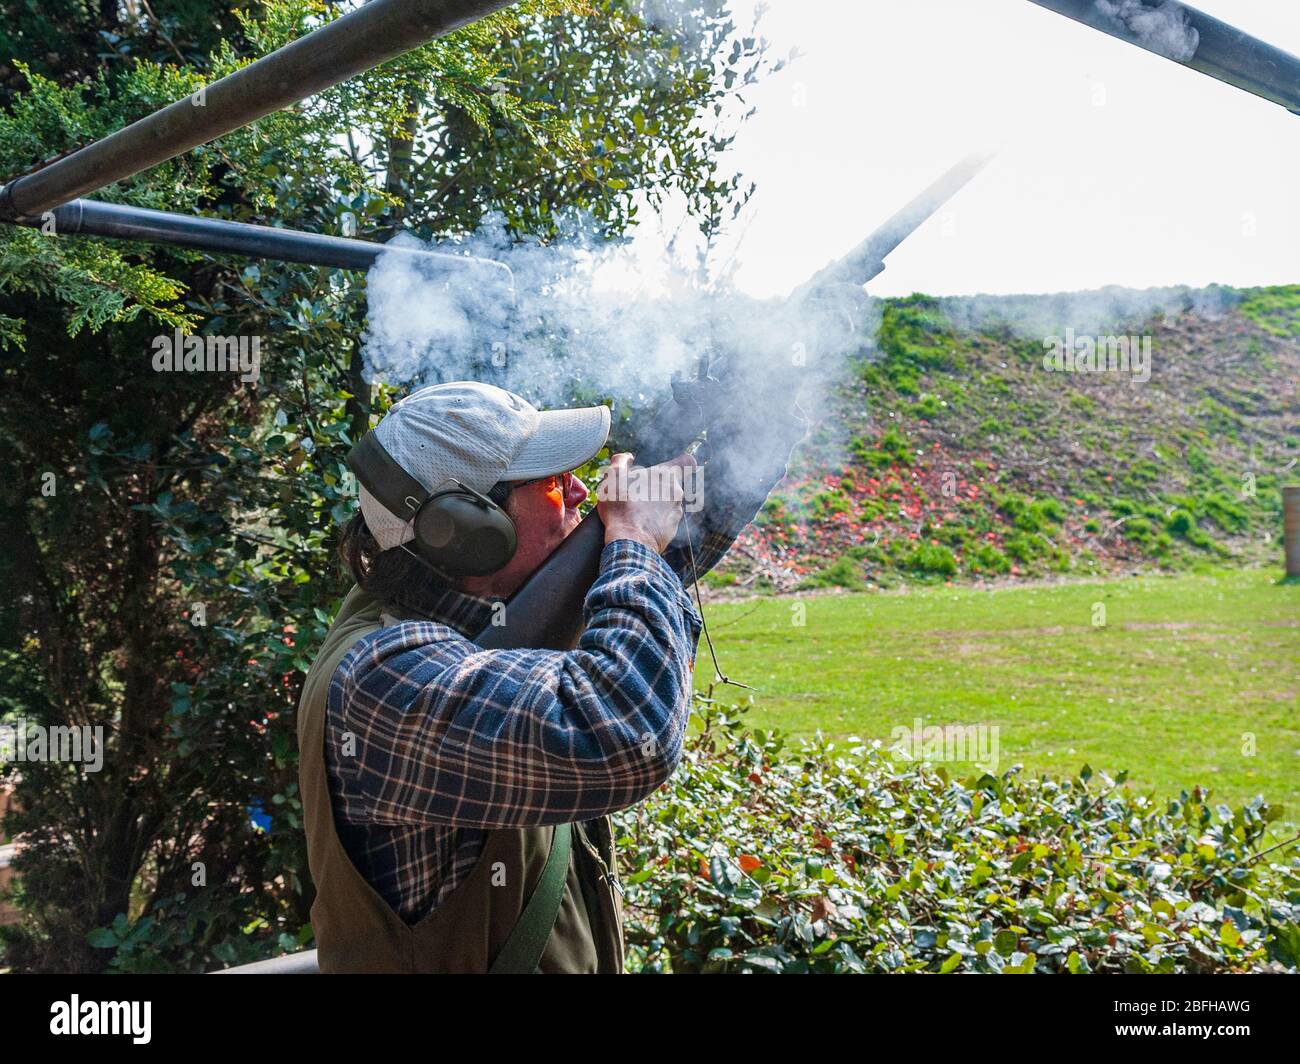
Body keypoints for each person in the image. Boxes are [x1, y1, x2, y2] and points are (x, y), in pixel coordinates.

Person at [298, 380, 804, 972]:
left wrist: (764, 397)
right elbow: (624, 732)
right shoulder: (382, 680)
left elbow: (670, 550)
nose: (582, 491)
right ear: (464, 528)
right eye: (551, 484)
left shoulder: (455, 603)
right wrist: (633, 539)